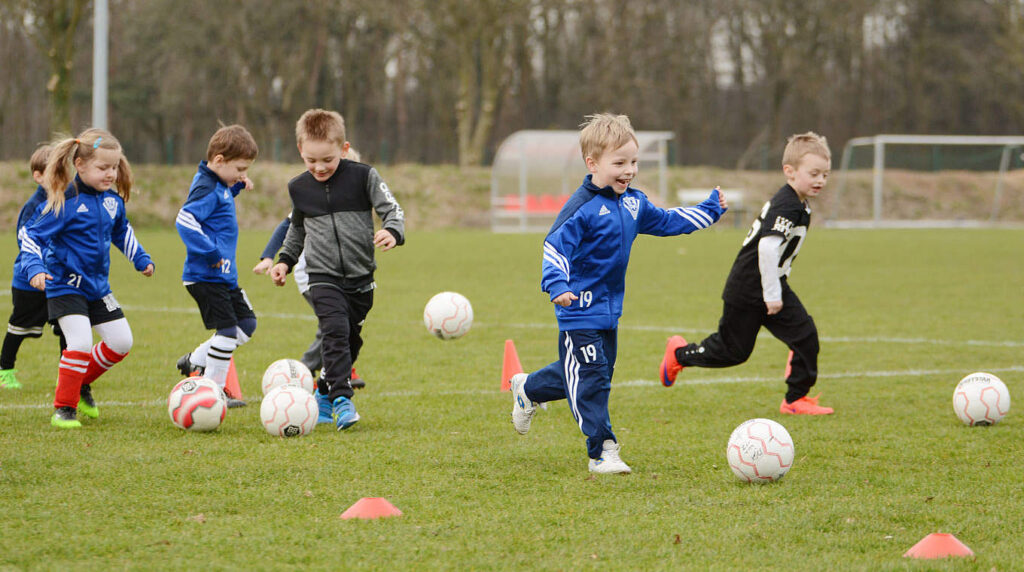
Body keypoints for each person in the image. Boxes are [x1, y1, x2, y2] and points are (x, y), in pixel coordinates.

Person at [509, 113, 727, 474]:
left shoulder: (633, 204)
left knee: (588, 372)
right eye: (620, 163)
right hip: (577, 308)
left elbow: (668, 221)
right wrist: (558, 285)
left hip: (610, 310)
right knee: (592, 377)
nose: (629, 170)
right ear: (592, 163)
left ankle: (529, 388)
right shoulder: (581, 208)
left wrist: (709, 211)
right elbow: (554, 247)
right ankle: (602, 451)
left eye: (634, 162)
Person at [659, 132, 834, 415]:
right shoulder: (787, 204)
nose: (820, 180)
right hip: (749, 288)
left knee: (805, 335)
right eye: (814, 173)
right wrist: (772, 294)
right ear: (789, 171)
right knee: (733, 352)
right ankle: (678, 354)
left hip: (770, 284)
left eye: (825, 174)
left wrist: (775, 289)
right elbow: (766, 248)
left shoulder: (798, 202)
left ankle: (795, 400)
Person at [270, 109, 404, 431]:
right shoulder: (299, 188)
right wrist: (285, 261)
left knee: (351, 341)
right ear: (301, 152)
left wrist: (393, 231)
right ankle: (343, 400)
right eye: (310, 160)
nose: (319, 168)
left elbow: (392, 209)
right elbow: (297, 230)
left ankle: (322, 392)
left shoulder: (363, 176)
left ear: (344, 149)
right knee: (334, 332)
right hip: (322, 276)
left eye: (327, 160)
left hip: (361, 278)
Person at [19, 128, 154, 428]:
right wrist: (34, 268)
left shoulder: (112, 202)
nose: (111, 174)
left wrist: (140, 258)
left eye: (115, 167)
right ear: (80, 165)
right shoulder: (65, 201)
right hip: (63, 285)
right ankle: (64, 408)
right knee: (79, 344)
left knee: (121, 342)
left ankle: (77, 382)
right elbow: (30, 234)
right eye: (103, 168)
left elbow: (122, 231)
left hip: (97, 288)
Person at [253, 147, 366, 394]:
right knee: (335, 323)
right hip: (312, 273)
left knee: (341, 322)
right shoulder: (312, 196)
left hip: (343, 274)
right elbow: (287, 226)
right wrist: (270, 256)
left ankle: (333, 369)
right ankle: (310, 368)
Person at [174, 124, 259, 409]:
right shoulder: (207, 186)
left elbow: (216, 209)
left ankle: (195, 361)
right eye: (240, 169)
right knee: (226, 332)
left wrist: (235, 187)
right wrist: (210, 252)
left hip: (224, 276)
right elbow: (185, 219)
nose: (243, 174)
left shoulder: (220, 185)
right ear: (219, 160)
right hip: (206, 275)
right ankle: (214, 392)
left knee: (246, 324)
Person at [2, 145, 69, 390]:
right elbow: (25, 240)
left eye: (62, 172)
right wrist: (39, 267)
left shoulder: (67, 202)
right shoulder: (34, 207)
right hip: (29, 280)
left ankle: (68, 375)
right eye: (53, 173)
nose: (59, 178)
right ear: (38, 176)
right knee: (19, 328)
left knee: (66, 328)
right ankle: (5, 369)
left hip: (58, 280)